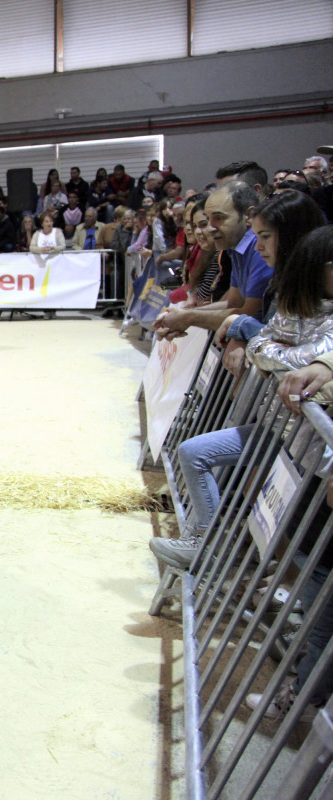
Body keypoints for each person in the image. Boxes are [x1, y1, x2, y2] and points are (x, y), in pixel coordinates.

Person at [149, 192, 326, 570]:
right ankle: (208, 545)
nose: (256, 242)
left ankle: (285, 599)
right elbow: (263, 338)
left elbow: (267, 340)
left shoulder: (304, 293)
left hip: (304, 439)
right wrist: (246, 332)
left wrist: (242, 328)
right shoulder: (281, 278)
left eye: (264, 235)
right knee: (204, 459)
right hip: (278, 424)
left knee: (302, 539)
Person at [152, 182, 274, 339]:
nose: (210, 228)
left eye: (219, 218)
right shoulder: (234, 248)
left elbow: (247, 315)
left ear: (248, 216)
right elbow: (234, 302)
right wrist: (183, 314)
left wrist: (188, 317)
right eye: (208, 220)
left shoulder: (259, 249)